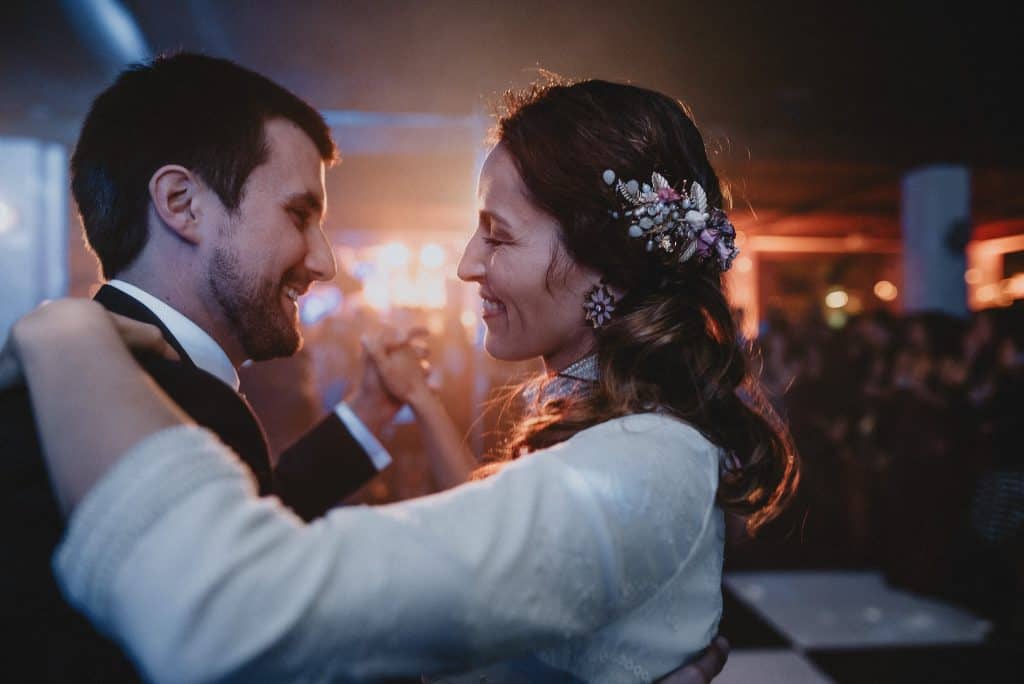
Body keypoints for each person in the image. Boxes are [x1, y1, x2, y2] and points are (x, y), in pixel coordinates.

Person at [6, 78, 794, 682]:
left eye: (498, 234)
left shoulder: (648, 463)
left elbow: (233, 605)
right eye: (298, 214)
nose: (465, 264)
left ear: (605, 262)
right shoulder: (614, 441)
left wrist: (65, 332)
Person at [0, 52, 402, 683]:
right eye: (299, 215)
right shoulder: (177, 404)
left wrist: (367, 415)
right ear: (182, 203)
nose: (324, 262)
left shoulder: (87, 381)